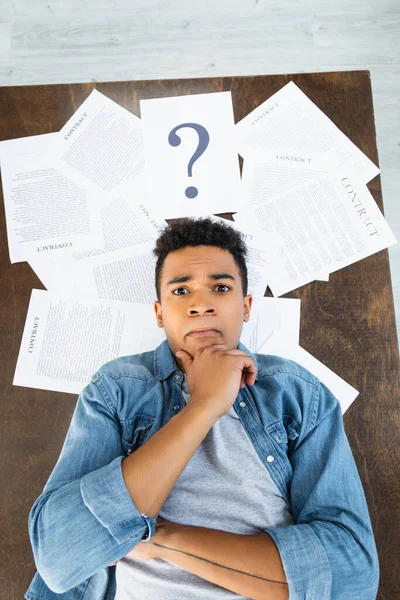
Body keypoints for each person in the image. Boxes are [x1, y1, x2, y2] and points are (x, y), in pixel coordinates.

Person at [25, 217, 379, 600]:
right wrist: (204, 407)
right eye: (181, 291)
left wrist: (160, 540)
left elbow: (353, 577)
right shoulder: (117, 390)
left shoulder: (298, 394)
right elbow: (59, 557)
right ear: (159, 313)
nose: (201, 304)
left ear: (245, 306)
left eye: (220, 287)